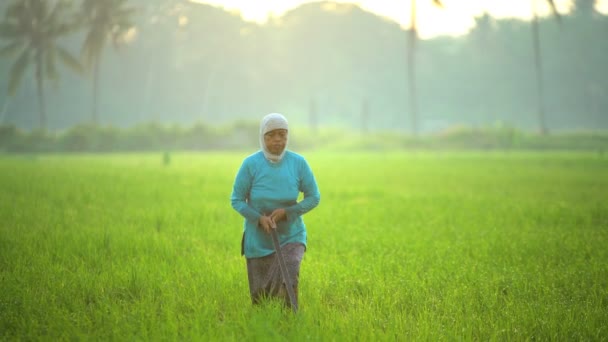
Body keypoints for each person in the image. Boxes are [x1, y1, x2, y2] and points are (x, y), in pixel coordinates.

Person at [230, 113, 320, 310]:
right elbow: (236, 200)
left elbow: (314, 197)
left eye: (282, 134)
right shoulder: (251, 164)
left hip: (291, 234)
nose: (278, 140)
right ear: (262, 137)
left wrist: (288, 212)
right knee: (260, 298)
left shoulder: (298, 163)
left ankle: (291, 319)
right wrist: (259, 218)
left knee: (290, 272)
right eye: (271, 135)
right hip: (259, 239)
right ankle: (268, 323)